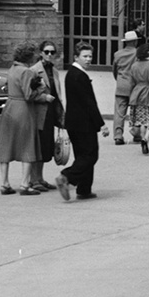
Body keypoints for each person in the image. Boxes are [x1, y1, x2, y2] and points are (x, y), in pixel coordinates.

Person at [0, 42, 57, 196]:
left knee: (6, 145)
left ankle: (4, 183)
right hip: (23, 109)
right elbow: (29, 95)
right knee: (28, 144)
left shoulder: (12, 69)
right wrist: (42, 92)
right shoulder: (26, 72)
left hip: (10, 107)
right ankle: (24, 184)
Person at [56, 42, 109, 201]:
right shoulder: (80, 76)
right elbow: (89, 103)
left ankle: (84, 188)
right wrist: (101, 124)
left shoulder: (72, 73)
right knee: (90, 155)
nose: (88, 59)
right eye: (85, 56)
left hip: (74, 122)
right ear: (76, 57)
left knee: (82, 155)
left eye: (90, 56)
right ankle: (67, 176)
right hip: (84, 123)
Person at [30, 40, 64, 190]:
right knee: (37, 146)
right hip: (38, 113)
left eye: (52, 52)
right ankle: (33, 179)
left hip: (50, 112)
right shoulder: (34, 70)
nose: (49, 55)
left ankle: (40, 178)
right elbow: (28, 94)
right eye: (47, 52)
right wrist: (43, 98)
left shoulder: (54, 71)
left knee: (45, 147)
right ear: (41, 53)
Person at [111, 30, 141, 145]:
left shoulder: (118, 54)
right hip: (134, 86)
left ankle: (118, 135)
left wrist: (119, 80)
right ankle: (136, 133)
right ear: (134, 42)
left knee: (119, 112)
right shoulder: (138, 53)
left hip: (121, 85)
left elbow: (114, 70)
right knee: (136, 111)